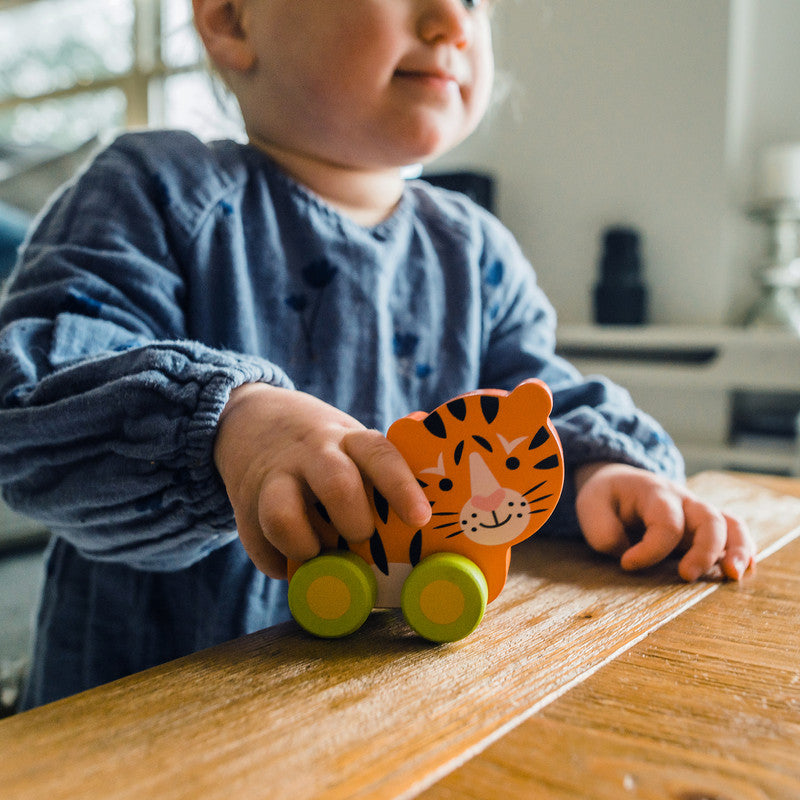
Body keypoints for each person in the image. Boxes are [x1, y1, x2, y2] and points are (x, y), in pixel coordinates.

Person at [0, 0, 753, 709]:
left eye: (472, 1)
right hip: (137, 724)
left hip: (396, 708)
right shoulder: (151, 190)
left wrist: (598, 473)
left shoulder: (477, 251)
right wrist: (231, 422)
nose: (450, 24)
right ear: (232, 18)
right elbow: (29, 397)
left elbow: (539, 401)